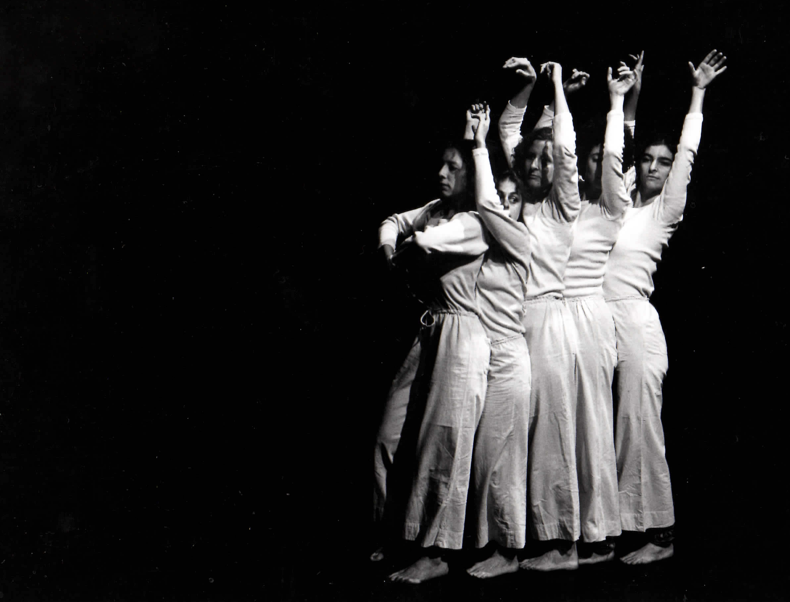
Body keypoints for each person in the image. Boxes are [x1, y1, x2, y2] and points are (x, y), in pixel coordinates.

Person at [602, 50, 728, 565]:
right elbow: (622, 147)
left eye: (663, 162)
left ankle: (659, 534)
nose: (653, 168)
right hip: (594, 320)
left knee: (636, 424)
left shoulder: (664, 210)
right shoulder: (620, 199)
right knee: (600, 426)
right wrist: (633, 92)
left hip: (634, 322)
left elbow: (687, 152)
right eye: (649, 161)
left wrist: (697, 93)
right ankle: (607, 532)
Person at [378, 140, 491, 584]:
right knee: (389, 435)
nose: (442, 173)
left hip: (462, 334)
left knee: (444, 443)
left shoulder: (476, 220)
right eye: (441, 164)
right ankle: (395, 534)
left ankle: (437, 551)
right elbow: (394, 222)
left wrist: (404, 249)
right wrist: (390, 250)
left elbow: (425, 243)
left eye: (453, 167)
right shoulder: (435, 208)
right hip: (430, 329)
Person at [499, 60, 583, 571]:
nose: (534, 165)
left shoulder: (560, 206)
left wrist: (556, 91)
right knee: (512, 433)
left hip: (549, 324)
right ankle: (517, 540)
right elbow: (511, 130)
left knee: (552, 431)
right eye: (529, 158)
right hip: (509, 325)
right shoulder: (518, 202)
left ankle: (563, 545)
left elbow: (566, 152)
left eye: (543, 161)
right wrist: (529, 88)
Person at [559, 64, 639, 564]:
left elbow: (615, 153)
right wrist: (553, 97)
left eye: (598, 160)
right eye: (586, 159)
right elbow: (548, 153)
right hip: (552, 322)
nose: (593, 166)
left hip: (590, 320)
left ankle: (602, 533)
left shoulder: (612, 206)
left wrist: (617, 104)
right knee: (561, 428)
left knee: (592, 425)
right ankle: (569, 529)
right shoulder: (567, 206)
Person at [463, 104, 532, 579]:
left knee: (502, 456)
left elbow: (487, 202)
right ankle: (485, 543)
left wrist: (479, 144)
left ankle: (508, 551)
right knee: (480, 456)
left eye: (513, 198)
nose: (504, 204)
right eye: (502, 197)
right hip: (477, 355)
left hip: (509, 358)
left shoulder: (521, 240)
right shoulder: (481, 243)